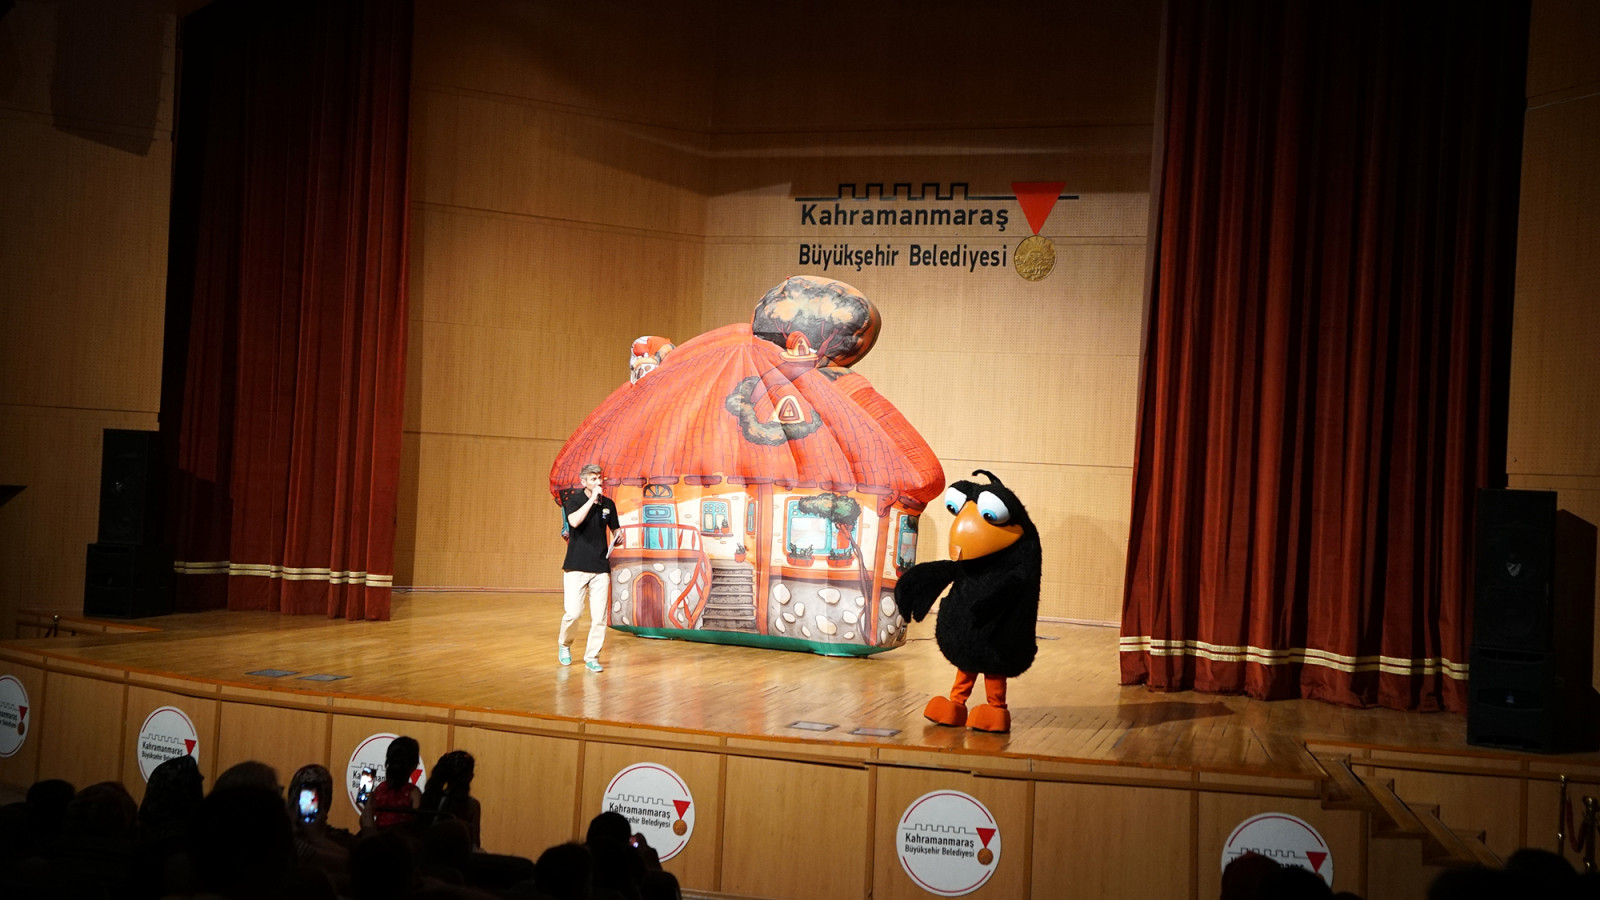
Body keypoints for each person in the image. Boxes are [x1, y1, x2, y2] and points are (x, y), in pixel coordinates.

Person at [560, 462, 619, 673]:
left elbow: (615, 529)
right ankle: (565, 644)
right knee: (573, 613)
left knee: (599, 618)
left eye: (599, 478)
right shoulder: (573, 500)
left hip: (600, 566)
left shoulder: (608, 504)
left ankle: (592, 657)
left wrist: (619, 536)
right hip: (576, 565)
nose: (598, 482)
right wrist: (592, 499)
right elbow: (574, 522)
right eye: (593, 479)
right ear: (583, 481)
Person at [361, 736, 423, 832]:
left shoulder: (380, 789)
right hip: (401, 839)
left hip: (377, 837)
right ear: (414, 765)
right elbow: (419, 825)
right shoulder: (414, 792)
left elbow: (365, 817)